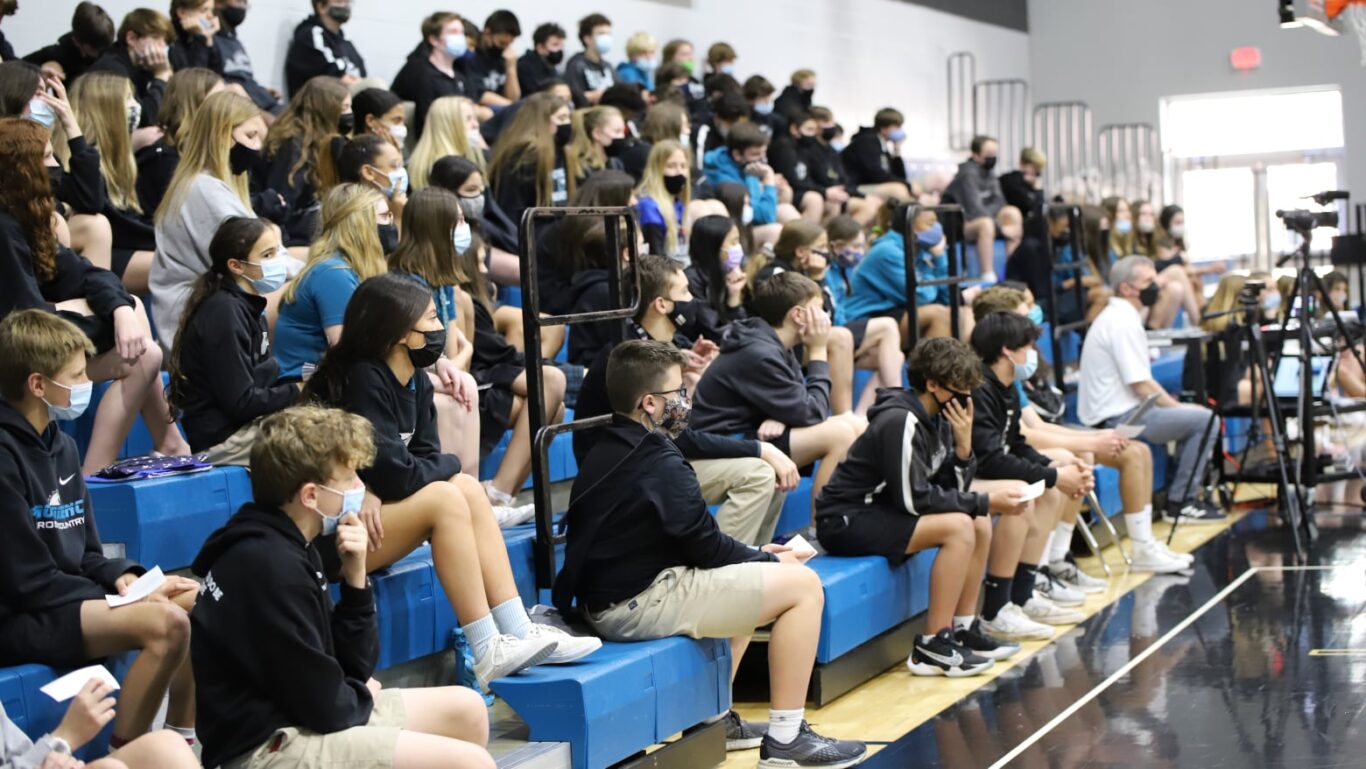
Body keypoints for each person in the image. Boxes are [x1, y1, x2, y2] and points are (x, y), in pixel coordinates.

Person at [554, 339, 867, 768]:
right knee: (803, 587)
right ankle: (787, 739)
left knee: (750, 588)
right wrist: (771, 559)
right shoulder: (659, 461)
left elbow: (699, 546)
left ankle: (717, 717)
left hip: (614, 598)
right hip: (634, 603)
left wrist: (757, 556)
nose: (685, 400)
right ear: (650, 402)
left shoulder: (612, 446)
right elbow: (708, 548)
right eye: (677, 392)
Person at [302, 276, 600, 679]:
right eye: (430, 319)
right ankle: (487, 646)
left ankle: (517, 629)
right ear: (400, 333)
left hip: (375, 518)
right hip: (334, 536)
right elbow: (399, 474)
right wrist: (435, 469)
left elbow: (420, 461)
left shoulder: (416, 380)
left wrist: (435, 470)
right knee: (447, 494)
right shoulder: (364, 379)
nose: (441, 327)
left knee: (460, 488)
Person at [189, 405, 498, 769]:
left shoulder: (293, 543)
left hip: (305, 714)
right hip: (265, 748)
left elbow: (349, 666)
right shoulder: (271, 567)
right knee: (470, 763)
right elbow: (329, 706)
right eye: (349, 478)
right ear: (309, 495)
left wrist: (356, 578)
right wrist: (358, 694)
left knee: (468, 712)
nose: (360, 488)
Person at [0, 309, 200, 749]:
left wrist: (123, 576)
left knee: (194, 600)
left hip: (65, 599)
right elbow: (28, 582)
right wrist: (121, 600)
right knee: (167, 625)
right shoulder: (4, 458)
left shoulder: (64, 445)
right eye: (76, 374)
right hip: (23, 616)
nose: (87, 382)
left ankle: (182, 743)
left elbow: (88, 552)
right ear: (37, 385)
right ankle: (128, 753)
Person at [816, 337, 1027, 675]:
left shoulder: (940, 419)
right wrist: (985, 499)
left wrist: (963, 447)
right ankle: (932, 645)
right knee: (961, 525)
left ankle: (963, 628)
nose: (966, 399)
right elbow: (914, 500)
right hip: (847, 519)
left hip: (883, 512)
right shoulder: (901, 421)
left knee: (978, 521)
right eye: (959, 389)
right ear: (932, 384)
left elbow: (946, 489)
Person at [0, 117, 188, 474]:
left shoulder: (25, 220)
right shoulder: (4, 230)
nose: (56, 167)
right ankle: (93, 478)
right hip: (18, 362)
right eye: (46, 157)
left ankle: (104, 472)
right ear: (21, 169)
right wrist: (77, 309)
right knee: (143, 352)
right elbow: (26, 324)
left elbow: (89, 273)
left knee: (138, 333)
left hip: (42, 346)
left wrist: (119, 309)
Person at [574, 256, 796, 547]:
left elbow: (674, 431)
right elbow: (681, 438)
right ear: (662, 304)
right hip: (622, 475)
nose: (693, 300)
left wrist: (685, 376)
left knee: (771, 472)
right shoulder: (631, 357)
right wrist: (760, 447)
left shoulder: (657, 348)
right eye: (685, 293)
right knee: (758, 473)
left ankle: (756, 561)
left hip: (652, 457)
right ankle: (724, 571)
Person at [969, 286, 1185, 579]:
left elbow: (1026, 433)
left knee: (1122, 452)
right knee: (1065, 464)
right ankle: (1044, 570)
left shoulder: (1011, 375)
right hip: (983, 468)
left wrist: (1090, 442)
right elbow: (1024, 435)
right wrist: (1092, 441)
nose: (1032, 319)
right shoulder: (986, 380)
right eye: (1025, 312)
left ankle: (1064, 557)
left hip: (1017, 447)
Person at [387, 186, 543, 522]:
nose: (464, 228)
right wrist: (460, 358)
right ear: (435, 225)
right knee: (456, 394)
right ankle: (466, 503)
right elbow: (417, 361)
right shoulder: (406, 285)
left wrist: (460, 356)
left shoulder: (446, 284)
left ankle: (478, 500)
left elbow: (458, 357)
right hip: (407, 384)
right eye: (457, 220)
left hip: (441, 375)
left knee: (468, 388)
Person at [692, 272, 867, 516]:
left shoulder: (769, 340)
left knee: (853, 423)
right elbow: (813, 411)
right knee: (839, 434)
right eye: (819, 309)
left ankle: (850, 509)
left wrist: (783, 416)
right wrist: (817, 349)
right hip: (725, 442)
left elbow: (798, 400)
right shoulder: (759, 351)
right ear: (797, 314)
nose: (826, 316)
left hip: (745, 432)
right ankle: (825, 522)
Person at [968, 311, 1096, 639]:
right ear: (1008, 351)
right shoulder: (979, 388)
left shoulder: (1006, 386)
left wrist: (1053, 469)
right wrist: (1052, 476)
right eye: (1028, 346)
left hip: (985, 470)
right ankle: (996, 609)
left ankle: (1023, 595)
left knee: (1048, 487)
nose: (1033, 353)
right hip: (960, 477)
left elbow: (1016, 443)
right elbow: (990, 460)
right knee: (1022, 494)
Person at [1077, 256, 1226, 525]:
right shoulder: (1121, 322)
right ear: (1126, 288)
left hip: (1126, 411)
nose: (1156, 285)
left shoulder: (1121, 315)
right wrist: (1178, 407)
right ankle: (1181, 503)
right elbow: (1141, 384)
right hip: (1118, 422)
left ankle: (1176, 495)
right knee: (1204, 420)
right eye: (1148, 281)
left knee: (1192, 415)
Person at [168, 216, 298, 464]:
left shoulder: (248, 305)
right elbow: (240, 402)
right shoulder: (224, 312)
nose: (279, 262)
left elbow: (262, 380)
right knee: (325, 442)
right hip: (224, 440)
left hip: (246, 426)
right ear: (237, 266)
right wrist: (296, 391)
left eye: (278, 252)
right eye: (268, 255)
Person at [750, 220, 898, 417]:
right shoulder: (775, 274)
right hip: (785, 343)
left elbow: (829, 313)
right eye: (820, 248)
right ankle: (843, 416)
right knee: (842, 337)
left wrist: (818, 277)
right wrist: (817, 278)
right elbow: (810, 318)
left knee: (893, 354)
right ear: (801, 252)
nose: (825, 253)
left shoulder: (808, 271)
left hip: (809, 337)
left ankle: (865, 415)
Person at [151, 89, 265, 339]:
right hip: (195, 317)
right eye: (250, 136)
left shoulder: (215, 184)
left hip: (216, 304)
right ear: (223, 136)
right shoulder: (204, 189)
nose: (256, 146)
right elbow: (255, 263)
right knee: (314, 291)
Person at [68, 71, 158, 293]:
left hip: (119, 250)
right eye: (127, 99)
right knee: (184, 266)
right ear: (106, 109)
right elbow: (121, 226)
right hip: (98, 255)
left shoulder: (120, 159)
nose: (135, 106)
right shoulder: (83, 161)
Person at [847, 206, 972, 345]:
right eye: (931, 223)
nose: (937, 228)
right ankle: (934, 366)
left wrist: (939, 258)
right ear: (912, 226)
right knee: (940, 315)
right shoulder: (887, 251)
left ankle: (963, 365)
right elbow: (922, 297)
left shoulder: (919, 249)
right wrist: (935, 264)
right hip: (867, 317)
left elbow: (948, 298)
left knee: (963, 313)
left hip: (896, 310)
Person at [259, 75, 351, 247]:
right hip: (291, 234)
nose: (349, 114)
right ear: (327, 109)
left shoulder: (325, 140)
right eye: (344, 107)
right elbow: (282, 202)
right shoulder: (294, 145)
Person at [136, 67, 223, 216]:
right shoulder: (165, 161)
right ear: (192, 106)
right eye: (218, 101)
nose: (227, 109)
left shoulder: (209, 151)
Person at [487, 91, 571, 240]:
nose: (567, 123)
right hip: (530, 236)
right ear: (541, 121)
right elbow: (512, 208)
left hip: (553, 231)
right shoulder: (523, 155)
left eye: (568, 117)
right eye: (561, 118)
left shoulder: (560, 149)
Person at [391, 12, 484, 144]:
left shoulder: (460, 72)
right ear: (434, 39)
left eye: (461, 32)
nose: (460, 37)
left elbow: (472, 109)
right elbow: (427, 122)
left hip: (463, 137)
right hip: (436, 142)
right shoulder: (420, 72)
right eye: (453, 32)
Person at [945, 135, 1023, 282]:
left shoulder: (989, 173)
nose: (992, 158)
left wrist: (1000, 223)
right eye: (988, 154)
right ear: (975, 154)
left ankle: (1012, 270)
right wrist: (1001, 229)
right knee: (985, 223)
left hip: (986, 218)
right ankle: (987, 275)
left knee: (1013, 213)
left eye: (995, 154)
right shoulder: (966, 174)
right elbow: (974, 210)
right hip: (961, 225)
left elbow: (1000, 202)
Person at [88, 8, 173, 142]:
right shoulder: (113, 69)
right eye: (156, 38)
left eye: (165, 41)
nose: (163, 46)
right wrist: (161, 76)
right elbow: (145, 117)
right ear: (131, 38)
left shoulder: (142, 67)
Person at [703, 122, 790, 227]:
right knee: (773, 230)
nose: (762, 159)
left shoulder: (745, 166)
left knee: (786, 206)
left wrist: (765, 186)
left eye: (764, 153)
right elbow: (765, 218)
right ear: (737, 155)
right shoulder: (723, 177)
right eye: (755, 154)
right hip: (737, 227)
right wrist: (769, 179)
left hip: (752, 220)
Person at [213, 0, 283, 117]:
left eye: (245, 3)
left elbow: (245, 79)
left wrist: (261, 91)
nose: (243, 6)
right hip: (243, 108)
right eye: (239, 1)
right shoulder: (208, 43)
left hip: (264, 103)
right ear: (218, 3)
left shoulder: (235, 42)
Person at [685, 214, 748, 341]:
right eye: (733, 242)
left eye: (738, 241)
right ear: (714, 246)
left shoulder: (726, 272)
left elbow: (743, 325)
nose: (738, 246)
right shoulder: (691, 281)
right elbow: (713, 332)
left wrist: (734, 296)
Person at [284, 0, 366, 96]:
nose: (346, 6)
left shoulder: (343, 39)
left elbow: (361, 71)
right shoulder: (311, 35)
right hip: (319, 104)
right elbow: (335, 77)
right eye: (340, 1)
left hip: (346, 101)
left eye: (347, 2)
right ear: (321, 7)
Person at [23, 1, 116, 84]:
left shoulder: (107, 50)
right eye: (95, 49)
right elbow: (16, 67)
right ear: (77, 41)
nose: (99, 52)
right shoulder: (59, 54)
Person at [409, 96, 487, 191]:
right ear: (448, 125)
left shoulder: (470, 156)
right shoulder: (444, 168)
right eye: (468, 119)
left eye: (475, 118)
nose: (476, 124)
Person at [336, 134, 409, 230]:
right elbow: (389, 244)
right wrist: (397, 218)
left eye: (401, 165)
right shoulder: (357, 215)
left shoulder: (395, 204)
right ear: (369, 172)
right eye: (395, 166)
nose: (401, 172)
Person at [839, 108, 912, 203]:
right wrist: (906, 184)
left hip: (870, 184)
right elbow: (875, 174)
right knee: (898, 189)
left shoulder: (883, 146)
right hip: (853, 187)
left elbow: (899, 176)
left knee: (922, 185)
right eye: (897, 127)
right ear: (884, 128)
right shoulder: (867, 141)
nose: (900, 130)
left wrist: (897, 151)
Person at [635, 139, 691, 258]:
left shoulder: (678, 203)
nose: (679, 172)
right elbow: (656, 256)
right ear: (656, 169)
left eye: (683, 166)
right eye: (671, 166)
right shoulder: (648, 206)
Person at [467, 10, 521, 105]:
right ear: (487, 33)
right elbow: (479, 95)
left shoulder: (505, 58)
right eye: (502, 43)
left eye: (509, 44)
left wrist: (511, 69)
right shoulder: (471, 54)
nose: (505, 48)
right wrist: (512, 108)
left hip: (502, 110)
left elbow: (514, 98)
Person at [564, 105, 626, 187]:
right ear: (597, 133)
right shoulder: (581, 167)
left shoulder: (616, 164)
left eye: (623, 131)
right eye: (617, 131)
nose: (622, 137)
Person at [565, 13, 615, 108]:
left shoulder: (608, 66)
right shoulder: (576, 64)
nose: (607, 38)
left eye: (609, 34)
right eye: (601, 34)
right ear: (587, 39)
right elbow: (574, 97)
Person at [167, 0, 224, 74]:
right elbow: (195, 79)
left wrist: (209, 41)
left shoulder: (204, 37)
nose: (211, 16)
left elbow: (217, 76)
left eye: (212, 10)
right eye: (204, 10)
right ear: (182, 12)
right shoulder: (170, 41)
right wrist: (200, 38)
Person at [517, 22, 565, 97]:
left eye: (562, 45)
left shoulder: (550, 66)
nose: (560, 49)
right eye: (555, 45)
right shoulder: (524, 66)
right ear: (540, 47)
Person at [353, 87, 408, 152]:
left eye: (403, 121)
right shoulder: (354, 154)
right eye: (396, 120)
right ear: (370, 120)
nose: (402, 127)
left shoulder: (400, 149)